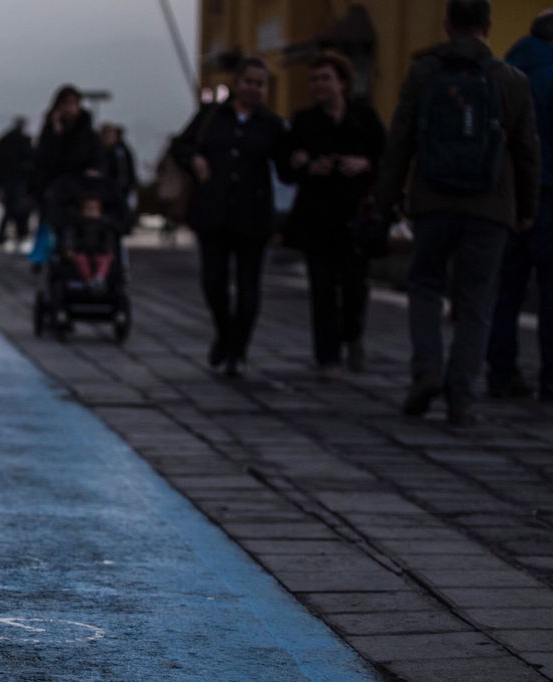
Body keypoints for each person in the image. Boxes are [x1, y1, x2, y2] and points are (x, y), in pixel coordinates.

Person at [375, 0, 540, 426]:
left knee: (426, 286)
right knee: (476, 301)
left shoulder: (424, 74)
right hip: (490, 206)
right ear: (488, 26)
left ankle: (427, 370)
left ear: (448, 25)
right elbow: (527, 152)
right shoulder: (510, 80)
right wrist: (526, 208)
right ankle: (461, 398)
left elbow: (400, 141)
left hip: (432, 200)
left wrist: (389, 195)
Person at [169, 57, 292, 377]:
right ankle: (225, 333)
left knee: (249, 286)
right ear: (237, 83)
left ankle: (238, 350)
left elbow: (287, 170)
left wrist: (301, 159)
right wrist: (195, 160)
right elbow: (179, 147)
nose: (253, 88)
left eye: (260, 83)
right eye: (248, 81)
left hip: (253, 216)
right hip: (214, 212)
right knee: (213, 283)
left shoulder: (272, 125)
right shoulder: (211, 117)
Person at [286, 51, 387, 380]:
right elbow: (289, 165)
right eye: (314, 80)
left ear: (342, 82)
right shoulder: (304, 121)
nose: (318, 85)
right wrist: (307, 164)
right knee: (322, 287)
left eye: (325, 79)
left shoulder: (365, 118)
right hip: (317, 217)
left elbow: (386, 158)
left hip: (355, 216)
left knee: (355, 286)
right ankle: (327, 356)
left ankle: (352, 334)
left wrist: (365, 163)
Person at [487, 10, 553, 401]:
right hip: (547, 194)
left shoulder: (502, 72)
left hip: (501, 196)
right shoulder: (550, 76)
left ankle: (501, 371)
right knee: (550, 290)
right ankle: (550, 375)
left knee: (505, 290)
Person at [31, 86, 105, 271]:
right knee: (49, 220)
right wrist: (56, 132)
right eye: (66, 104)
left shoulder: (87, 132)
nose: (70, 108)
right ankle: (43, 256)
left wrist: (94, 171)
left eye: (73, 104)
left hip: (81, 185)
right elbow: (44, 158)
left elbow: (96, 156)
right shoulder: (50, 130)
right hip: (56, 186)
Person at [0, 117, 34, 249]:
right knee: (17, 211)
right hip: (17, 182)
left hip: (11, 182)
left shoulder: (6, 140)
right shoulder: (21, 141)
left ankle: (5, 236)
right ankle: (18, 234)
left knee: (10, 211)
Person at [101, 124, 139, 234]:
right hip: (108, 190)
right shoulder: (102, 151)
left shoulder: (122, 151)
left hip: (122, 189)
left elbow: (129, 170)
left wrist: (132, 186)